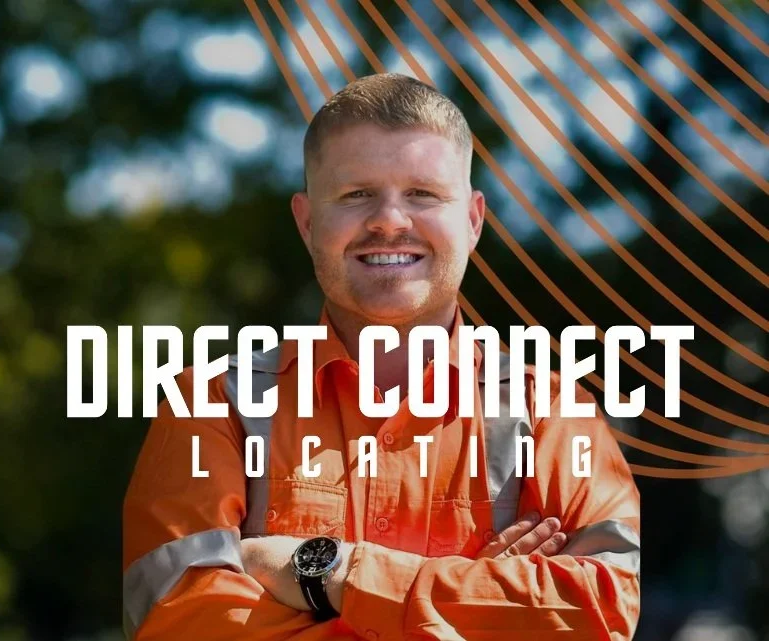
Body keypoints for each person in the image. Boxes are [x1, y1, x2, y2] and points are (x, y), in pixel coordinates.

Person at [123, 73, 640, 641]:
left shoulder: (556, 413)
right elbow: (178, 620)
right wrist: (479, 599)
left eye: (422, 193)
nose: (390, 221)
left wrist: (326, 574)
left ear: (472, 220)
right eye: (356, 194)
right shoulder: (209, 403)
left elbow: (603, 611)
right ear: (306, 221)